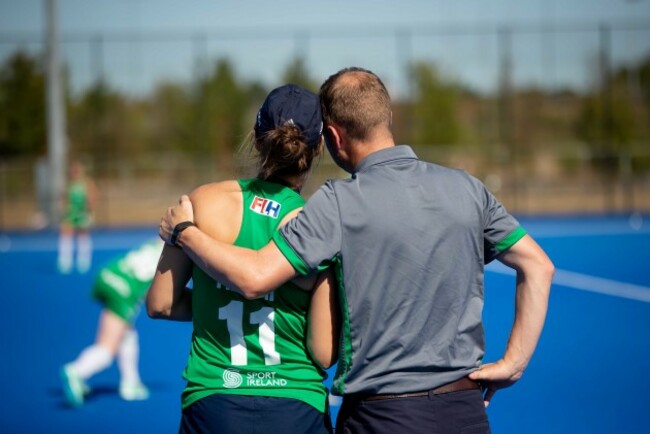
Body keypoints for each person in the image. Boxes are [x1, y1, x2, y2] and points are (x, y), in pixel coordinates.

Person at [159, 67, 555, 434]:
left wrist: (184, 232)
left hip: (381, 414)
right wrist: (513, 364)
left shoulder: (336, 205)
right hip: (464, 408)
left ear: (332, 138)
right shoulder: (469, 188)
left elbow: (252, 279)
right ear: (387, 117)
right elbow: (539, 266)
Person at [147, 84, 338, 434]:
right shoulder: (315, 226)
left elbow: (160, 303)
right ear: (318, 147)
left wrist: (213, 296)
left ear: (256, 137)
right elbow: (323, 352)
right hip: (296, 404)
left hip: (215, 400)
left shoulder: (202, 202)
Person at [61, 238, 162, 407]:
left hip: (107, 274)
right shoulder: (181, 254)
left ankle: (130, 382)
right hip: (124, 289)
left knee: (127, 332)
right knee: (108, 348)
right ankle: (77, 371)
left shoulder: (162, 242)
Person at [57, 159, 98, 274]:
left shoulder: (87, 183)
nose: (75, 173)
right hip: (70, 214)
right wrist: (63, 208)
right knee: (65, 234)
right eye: (73, 171)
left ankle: (83, 260)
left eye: (77, 171)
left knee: (83, 235)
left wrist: (90, 209)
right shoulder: (68, 184)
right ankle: (65, 261)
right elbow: (63, 198)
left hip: (82, 213)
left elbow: (93, 198)